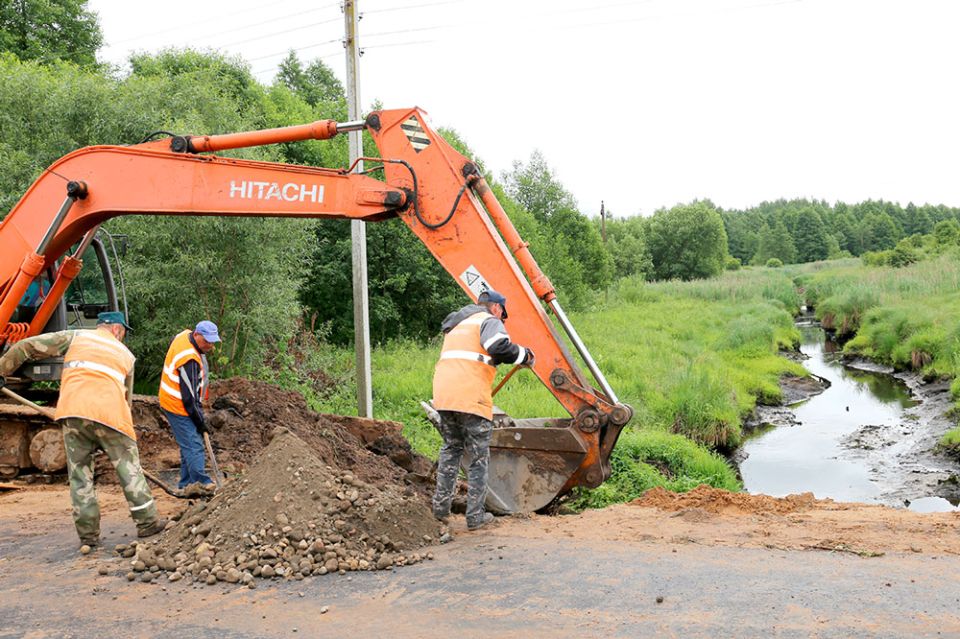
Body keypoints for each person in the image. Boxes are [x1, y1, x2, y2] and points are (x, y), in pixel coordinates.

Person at [0, 312, 166, 547]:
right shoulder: (127, 355)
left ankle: (88, 536)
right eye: (124, 332)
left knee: (80, 476)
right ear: (117, 330)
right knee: (129, 469)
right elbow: (126, 399)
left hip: (73, 412)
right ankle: (147, 523)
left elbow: (27, 345)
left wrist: (2, 370)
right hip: (112, 414)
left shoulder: (77, 337)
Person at [431, 289, 534, 530]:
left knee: (451, 449)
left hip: (445, 396)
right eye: (502, 313)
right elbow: (498, 346)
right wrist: (525, 355)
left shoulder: (458, 324)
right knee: (478, 458)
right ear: (497, 308)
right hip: (471, 397)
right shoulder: (489, 321)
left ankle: (440, 508)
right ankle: (475, 517)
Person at [158, 320, 220, 496]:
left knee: (187, 443)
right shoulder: (189, 359)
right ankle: (202, 483)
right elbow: (189, 399)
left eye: (212, 342)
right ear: (196, 335)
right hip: (176, 404)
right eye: (206, 341)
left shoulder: (183, 335)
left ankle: (186, 484)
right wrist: (200, 422)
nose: (210, 346)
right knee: (194, 445)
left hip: (176, 399)